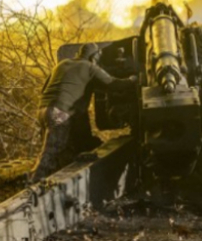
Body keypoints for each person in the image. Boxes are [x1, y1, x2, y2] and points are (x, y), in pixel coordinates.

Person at [30, 43, 135, 182]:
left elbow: (45, 88)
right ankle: (33, 184)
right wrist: (132, 80)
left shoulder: (62, 64)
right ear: (94, 56)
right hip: (60, 112)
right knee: (52, 151)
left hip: (43, 110)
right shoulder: (90, 67)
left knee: (60, 150)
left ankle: (42, 181)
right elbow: (113, 84)